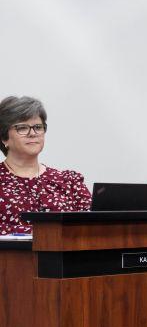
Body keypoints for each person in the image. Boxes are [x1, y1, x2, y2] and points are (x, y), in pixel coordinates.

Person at [0, 96, 91, 235]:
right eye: (22, 128)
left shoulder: (69, 182)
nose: (32, 134)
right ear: (4, 137)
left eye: (38, 127)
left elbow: (92, 227)